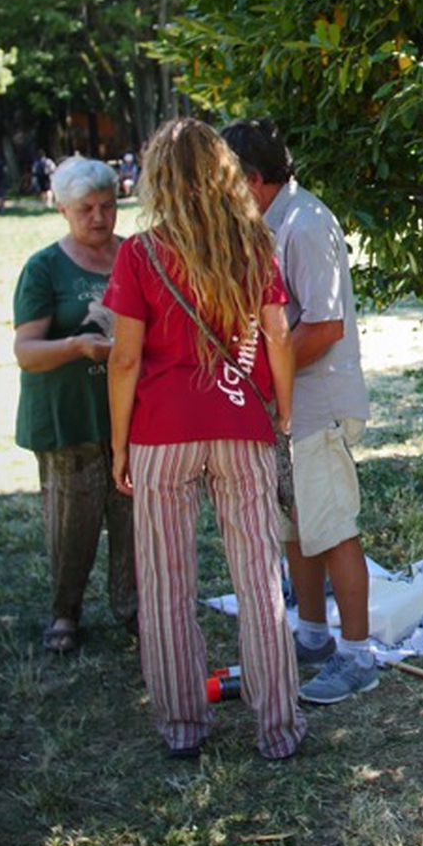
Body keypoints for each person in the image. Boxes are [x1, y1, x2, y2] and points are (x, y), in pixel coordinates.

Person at [104, 118, 305, 761]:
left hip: (162, 432)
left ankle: (184, 726)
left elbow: (125, 360)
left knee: (165, 584)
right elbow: (277, 336)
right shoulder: (253, 243)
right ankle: (279, 726)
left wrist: (118, 446)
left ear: (158, 178)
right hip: (240, 421)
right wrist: (282, 416)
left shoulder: (140, 253)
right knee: (259, 579)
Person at [220, 119, 377, 705]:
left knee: (333, 527)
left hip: (318, 404)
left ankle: (358, 656)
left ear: (254, 179)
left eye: (226, 181)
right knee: (295, 524)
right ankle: (311, 634)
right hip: (287, 404)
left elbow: (325, 326)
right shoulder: (269, 221)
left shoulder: (307, 225)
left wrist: (263, 375)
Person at [13, 157, 137, 655]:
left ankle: (132, 608)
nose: (99, 217)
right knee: (73, 525)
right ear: (62, 208)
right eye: (85, 208)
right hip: (68, 417)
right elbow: (26, 352)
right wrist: (79, 348)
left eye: (107, 206)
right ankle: (65, 611)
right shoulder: (44, 268)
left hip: (129, 417)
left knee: (132, 521)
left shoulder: (134, 256)